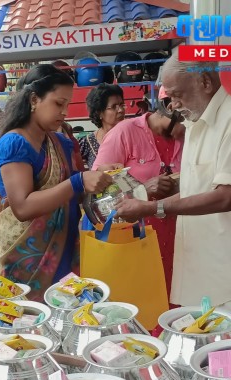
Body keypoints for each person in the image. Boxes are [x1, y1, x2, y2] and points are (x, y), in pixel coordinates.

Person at [115, 52, 231, 329]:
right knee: (212, 359)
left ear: (205, 82)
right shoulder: (194, 125)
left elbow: (225, 197)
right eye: (169, 96)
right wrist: (144, 202)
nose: (174, 104)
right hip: (205, 273)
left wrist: (154, 208)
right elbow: (197, 190)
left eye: (178, 94)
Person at [0, 64, 112, 301]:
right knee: (25, 329)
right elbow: (22, 207)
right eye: (58, 103)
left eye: (67, 105)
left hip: (63, 251)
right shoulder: (14, 144)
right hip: (24, 262)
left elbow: (72, 190)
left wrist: (100, 176)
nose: (65, 112)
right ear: (34, 99)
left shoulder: (59, 142)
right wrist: (79, 182)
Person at [92, 85, 185, 305]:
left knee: (177, 303)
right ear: (171, 107)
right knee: (142, 303)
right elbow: (97, 190)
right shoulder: (125, 132)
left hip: (183, 241)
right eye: (188, 118)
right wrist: (142, 189)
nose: (191, 126)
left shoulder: (187, 137)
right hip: (137, 239)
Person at [78, 83, 125, 169]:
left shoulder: (132, 136)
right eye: (114, 107)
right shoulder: (87, 142)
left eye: (122, 105)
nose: (121, 110)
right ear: (99, 112)